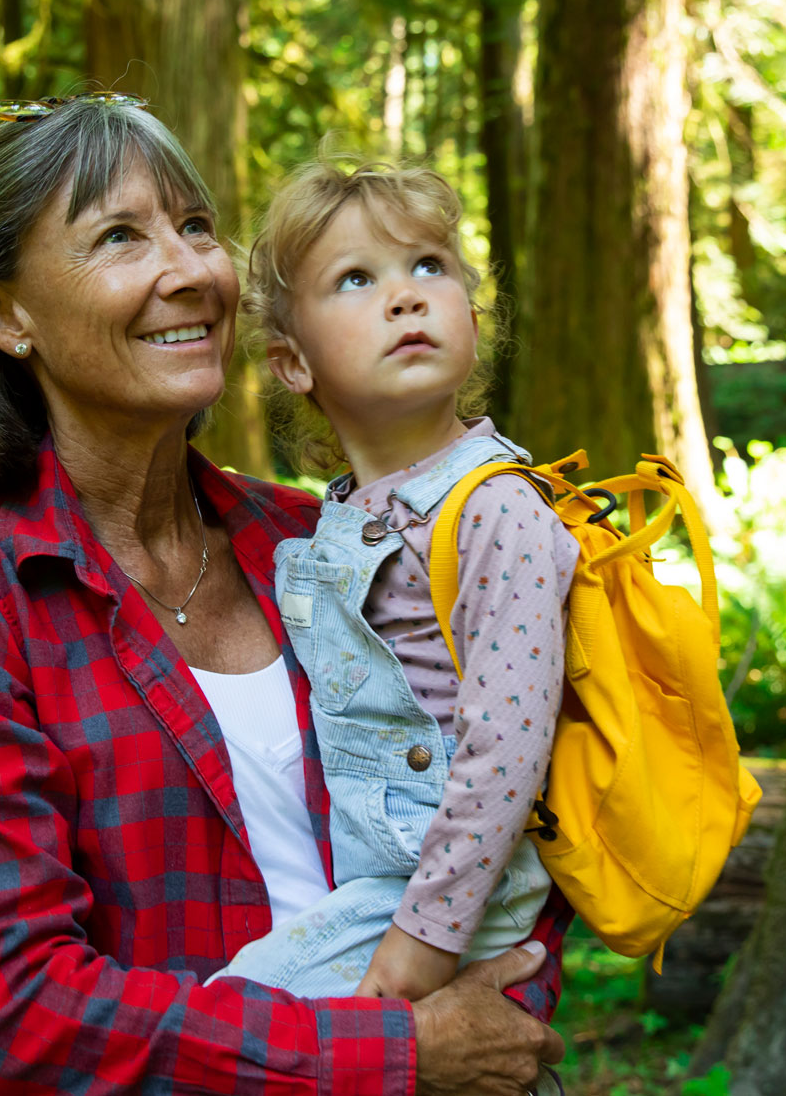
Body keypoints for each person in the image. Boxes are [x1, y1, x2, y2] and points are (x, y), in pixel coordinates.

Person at [0, 96, 570, 1095]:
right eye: (117, 236)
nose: (189, 270)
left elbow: (507, 793)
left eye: (195, 226)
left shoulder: (315, 541)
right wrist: (396, 1056)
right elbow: (15, 1006)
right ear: (2, 312)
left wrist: (498, 1007)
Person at [210, 157, 581, 1006]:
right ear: (293, 363)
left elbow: (508, 748)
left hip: (445, 896)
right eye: (354, 278)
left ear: (473, 319)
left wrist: (424, 943)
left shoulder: (496, 510)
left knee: (240, 1027)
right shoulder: (337, 517)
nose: (406, 295)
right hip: (379, 882)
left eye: (429, 266)